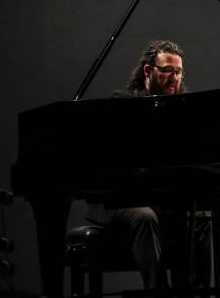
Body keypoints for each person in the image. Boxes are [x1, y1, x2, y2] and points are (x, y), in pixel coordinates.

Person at [85, 40, 211, 290]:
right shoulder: (121, 104)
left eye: (178, 72)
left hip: (156, 199)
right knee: (144, 215)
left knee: (201, 219)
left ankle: (194, 293)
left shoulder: (181, 110)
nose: (174, 77)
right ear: (147, 70)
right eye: (167, 70)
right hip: (114, 201)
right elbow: (110, 165)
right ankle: (158, 293)